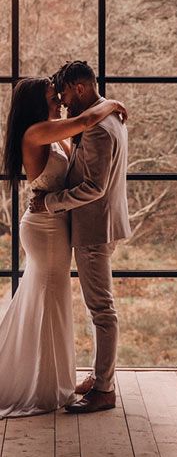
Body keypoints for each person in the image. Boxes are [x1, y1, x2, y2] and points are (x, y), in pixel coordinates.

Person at [0, 77, 127, 418]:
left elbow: (80, 156)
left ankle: (52, 378)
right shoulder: (35, 132)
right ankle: (44, 385)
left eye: (59, 96)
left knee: (50, 301)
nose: (58, 101)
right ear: (36, 104)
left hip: (56, 223)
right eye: (52, 98)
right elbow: (86, 121)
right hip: (43, 227)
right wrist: (112, 104)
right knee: (50, 299)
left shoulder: (53, 131)